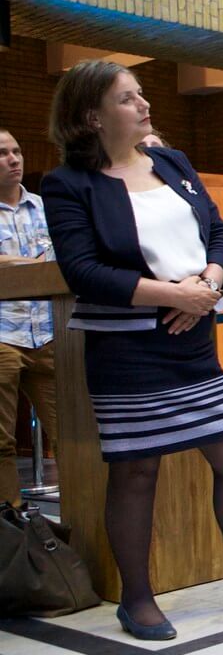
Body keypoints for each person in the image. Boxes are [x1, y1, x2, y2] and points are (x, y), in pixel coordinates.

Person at [41, 60, 223, 641]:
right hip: (128, 347)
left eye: (141, 95)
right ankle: (137, 599)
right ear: (92, 116)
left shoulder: (172, 162)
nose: (145, 105)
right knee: (136, 469)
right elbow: (84, 271)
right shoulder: (67, 184)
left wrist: (207, 286)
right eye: (129, 98)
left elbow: (219, 232)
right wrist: (173, 295)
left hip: (191, 337)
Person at [0, 130, 58, 508]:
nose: (14, 159)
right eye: (2, 153)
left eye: (17, 150)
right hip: (3, 336)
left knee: (71, 435)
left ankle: (83, 530)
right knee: (0, 442)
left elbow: (69, 260)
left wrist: (14, 266)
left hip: (51, 335)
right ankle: (13, 529)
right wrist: (38, 266)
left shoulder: (47, 206)